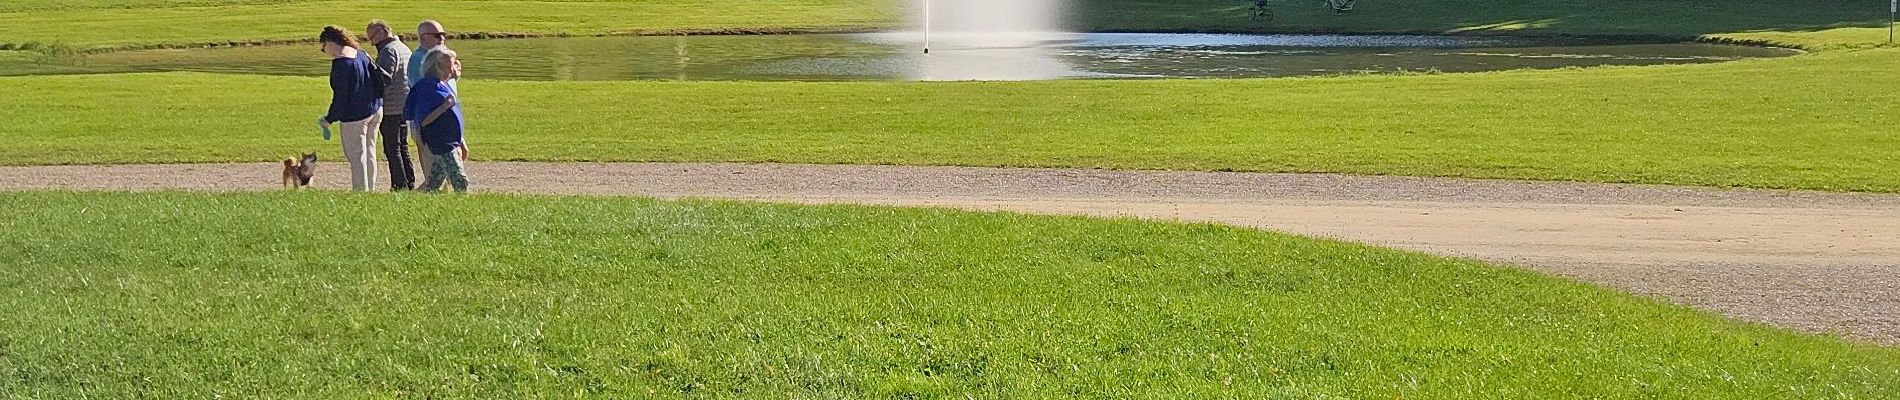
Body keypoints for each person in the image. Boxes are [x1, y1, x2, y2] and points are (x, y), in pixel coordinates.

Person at [318, 25, 383, 192]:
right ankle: (371, 188)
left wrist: (329, 118)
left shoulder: (341, 64)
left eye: (323, 46)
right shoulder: (361, 54)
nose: (324, 51)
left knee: (356, 155)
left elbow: (341, 97)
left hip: (355, 115)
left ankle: (361, 191)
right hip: (375, 109)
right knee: (369, 152)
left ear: (330, 42)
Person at [406, 49, 468, 193]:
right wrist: (445, 106)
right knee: (459, 179)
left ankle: (428, 198)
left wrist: (460, 139)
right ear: (438, 67)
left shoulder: (441, 84)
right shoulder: (427, 88)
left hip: (449, 139)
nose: (454, 69)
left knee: (436, 179)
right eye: (451, 66)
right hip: (440, 140)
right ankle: (465, 207)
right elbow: (424, 121)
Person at [407, 20, 462, 176]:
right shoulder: (419, 60)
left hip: (446, 120)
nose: (442, 39)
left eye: (443, 35)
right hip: (432, 122)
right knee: (437, 172)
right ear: (423, 37)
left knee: (448, 169)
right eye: (437, 36)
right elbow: (426, 93)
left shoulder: (440, 57)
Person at [367, 20, 416, 191]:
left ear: (382, 32)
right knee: (402, 146)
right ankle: (409, 181)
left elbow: (384, 79)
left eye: (372, 37)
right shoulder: (403, 47)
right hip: (404, 104)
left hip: (392, 106)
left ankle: (400, 185)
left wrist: (370, 66)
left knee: (392, 148)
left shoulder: (388, 51)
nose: (372, 42)